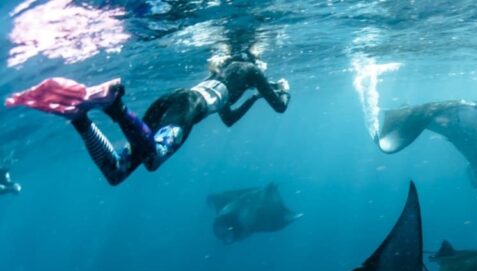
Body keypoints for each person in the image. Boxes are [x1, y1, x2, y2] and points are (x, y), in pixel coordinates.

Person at [5, 51, 290, 185]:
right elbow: (280, 107)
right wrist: (282, 91)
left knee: (117, 173)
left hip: (173, 99)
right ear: (256, 60)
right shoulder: (252, 71)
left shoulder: (224, 73)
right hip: (189, 108)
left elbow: (227, 118)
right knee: (153, 158)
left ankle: (79, 118)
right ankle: (115, 107)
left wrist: (254, 98)